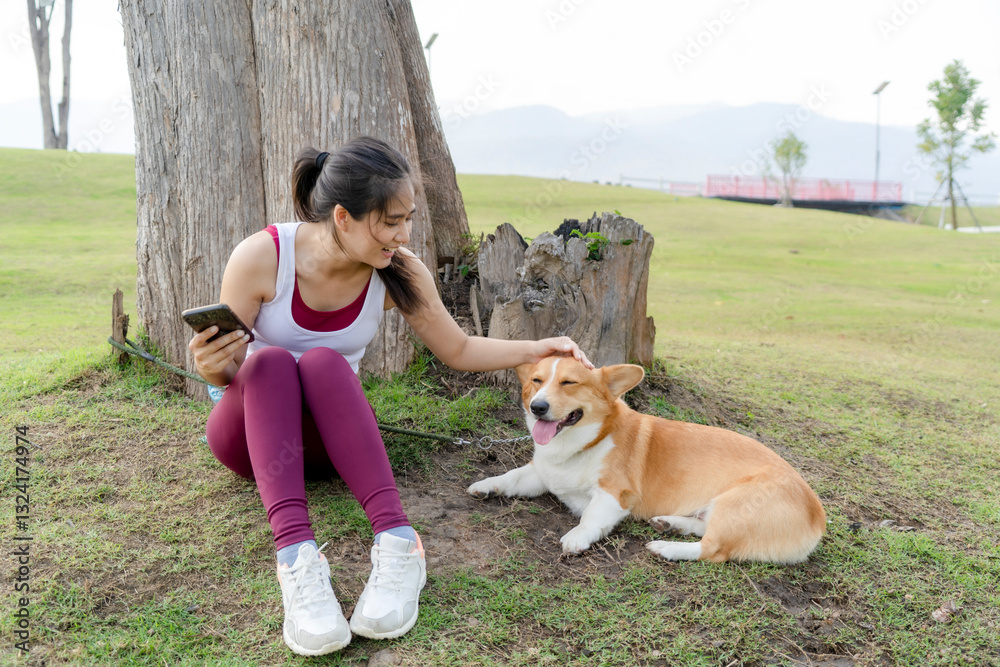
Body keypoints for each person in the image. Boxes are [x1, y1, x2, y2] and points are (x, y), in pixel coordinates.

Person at [188, 136, 592, 657]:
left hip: (329, 448)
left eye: (408, 219)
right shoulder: (264, 256)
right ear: (343, 217)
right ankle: (295, 559)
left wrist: (538, 348)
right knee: (270, 361)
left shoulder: (396, 270)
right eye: (391, 222)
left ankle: (399, 544)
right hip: (251, 443)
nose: (403, 236)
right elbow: (227, 371)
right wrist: (212, 366)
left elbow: (458, 348)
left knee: (324, 363)